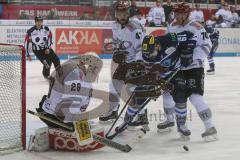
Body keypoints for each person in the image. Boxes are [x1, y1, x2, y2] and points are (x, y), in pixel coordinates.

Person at [114, 31, 196, 135]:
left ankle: (182, 125)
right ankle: (126, 122)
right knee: (137, 97)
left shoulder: (170, 39)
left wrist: (188, 51)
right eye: (146, 54)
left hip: (173, 72)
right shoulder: (141, 56)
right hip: (154, 77)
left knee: (180, 95)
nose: (149, 56)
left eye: (151, 53)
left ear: (157, 46)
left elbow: (191, 35)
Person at [28, 53, 105, 152]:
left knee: (88, 126)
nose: (95, 71)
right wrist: (74, 125)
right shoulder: (76, 73)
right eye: (93, 67)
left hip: (58, 113)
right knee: (83, 131)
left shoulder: (82, 75)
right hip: (53, 115)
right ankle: (51, 134)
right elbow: (69, 103)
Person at [165, 3, 218, 141]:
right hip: (177, 68)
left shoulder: (197, 27)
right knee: (175, 96)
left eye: (181, 14)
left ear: (187, 14)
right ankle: (180, 125)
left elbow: (208, 46)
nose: (178, 16)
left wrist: (191, 57)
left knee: (195, 97)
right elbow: (168, 45)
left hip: (194, 67)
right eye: (176, 14)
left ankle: (210, 127)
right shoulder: (172, 26)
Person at [99, 0, 146, 124]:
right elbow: (117, 41)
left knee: (133, 89)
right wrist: (117, 50)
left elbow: (141, 48)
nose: (121, 17)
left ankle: (141, 115)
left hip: (137, 62)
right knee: (113, 85)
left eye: (124, 14)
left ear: (128, 13)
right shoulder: (115, 25)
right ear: (115, 14)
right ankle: (113, 110)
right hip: (125, 61)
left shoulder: (134, 28)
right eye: (119, 14)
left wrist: (137, 64)